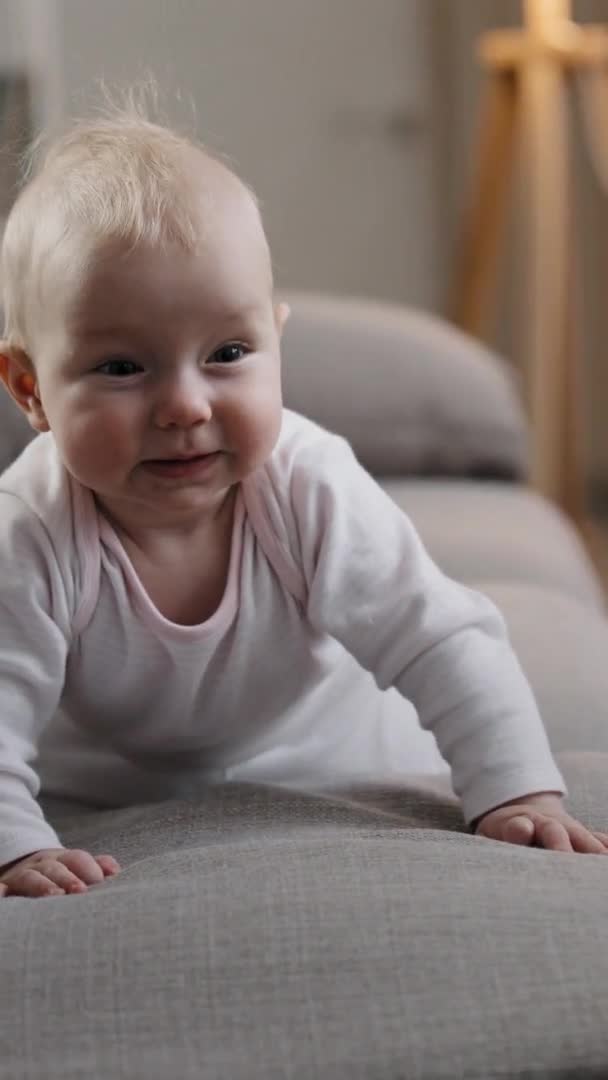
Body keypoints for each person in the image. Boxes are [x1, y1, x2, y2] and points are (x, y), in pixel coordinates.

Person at [0, 105, 605, 900]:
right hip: (107, 790)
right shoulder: (31, 530)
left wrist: (516, 787)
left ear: (276, 345)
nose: (185, 405)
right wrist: (15, 844)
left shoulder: (306, 482)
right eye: (121, 367)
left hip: (337, 755)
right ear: (30, 389)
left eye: (228, 354)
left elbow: (441, 638)